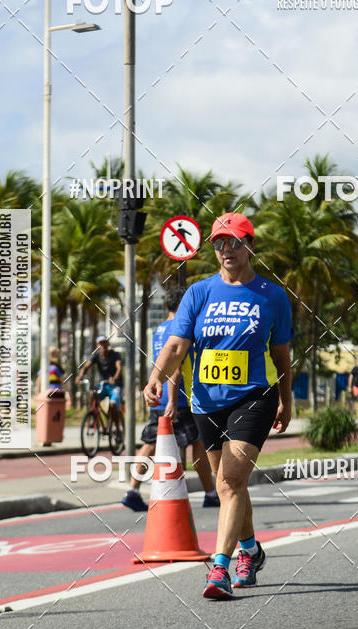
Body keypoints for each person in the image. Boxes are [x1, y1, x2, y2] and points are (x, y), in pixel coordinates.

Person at [143, 212, 293, 599]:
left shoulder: (272, 296)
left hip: (254, 397)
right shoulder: (199, 292)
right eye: (219, 243)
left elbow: (281, 356)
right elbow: (177, 345)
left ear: (250, 245)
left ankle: (220, 569)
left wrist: (286, 401)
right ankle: (251, 550)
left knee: (230, 481)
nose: (226, 249)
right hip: (206, 401)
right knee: (229, 489)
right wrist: (157, 375)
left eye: (234, 241)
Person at [122, 286, 220, 512]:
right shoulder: (181, 328)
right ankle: (210, 493)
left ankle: (133, 490)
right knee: (198, 443)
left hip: (159, 394)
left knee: (150, 442)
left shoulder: (160, 329)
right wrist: (173, 402)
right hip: (179, 398)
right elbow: (175, 369)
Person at [76, 335, 123, 421]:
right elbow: (86, 367)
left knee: (112, 405)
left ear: (108, 344)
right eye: (101, 343)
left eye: (105, 343)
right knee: (92, 394)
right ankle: (91, 417)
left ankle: (117, 428)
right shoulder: (96, 356)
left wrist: (114, 378)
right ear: (97, 345)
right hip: (103, 385)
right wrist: (80, 375)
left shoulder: (115, 355)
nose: (103, 345)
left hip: (115, 385)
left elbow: (119, 368)